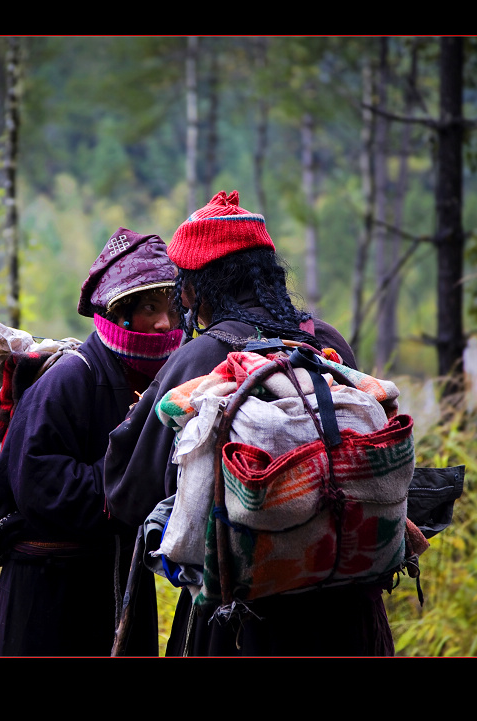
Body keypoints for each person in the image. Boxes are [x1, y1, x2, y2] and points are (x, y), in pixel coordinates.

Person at [104, 191, 396, 656]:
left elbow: (130, 492)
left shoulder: (202, 357)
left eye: (183, 284)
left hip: (243, 623)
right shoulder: (322, 343)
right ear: (269, 276)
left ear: (197, 288)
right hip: (349, 613)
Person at [0, 228, 182, 656]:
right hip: (48, 593)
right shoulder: (72, 378)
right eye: (150, 307)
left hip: (114, 581)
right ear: (119, 311)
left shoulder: (156, 382)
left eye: (174, 309)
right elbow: (36, 482)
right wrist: (127, 484)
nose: (165, 323)